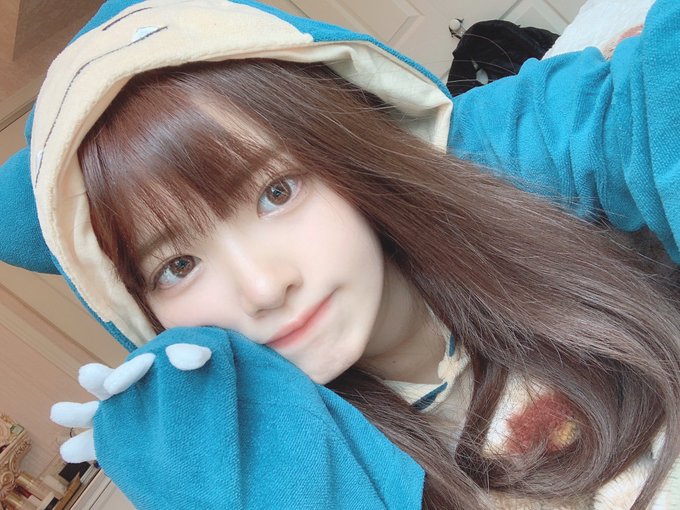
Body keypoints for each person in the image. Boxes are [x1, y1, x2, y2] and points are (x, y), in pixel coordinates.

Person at [2, 0, 679, 508]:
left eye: (275, 192)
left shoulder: (526, 177)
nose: (263, 286)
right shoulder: (320, 463)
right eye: (177, 267)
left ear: (347, 153)